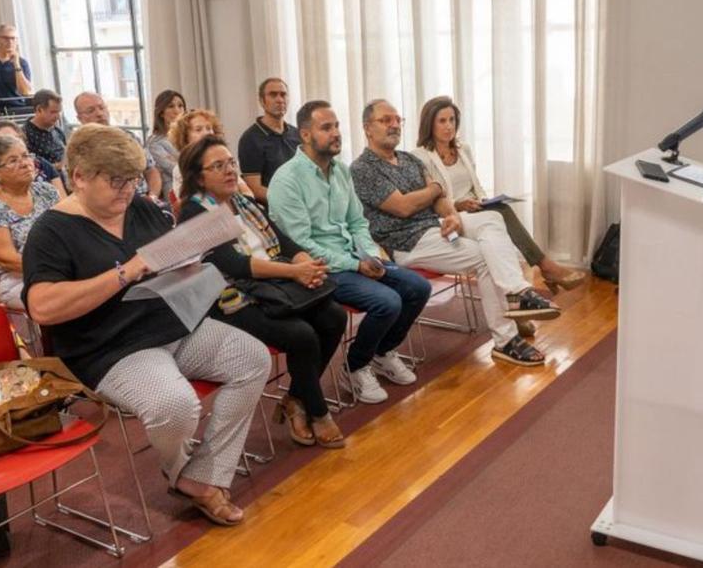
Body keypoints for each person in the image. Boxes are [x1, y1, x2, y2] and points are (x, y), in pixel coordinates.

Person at [22, 124, 270, 526]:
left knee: (253, 359)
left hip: (170, 324)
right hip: (112, 348)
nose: (127, 190)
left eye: (133, 180)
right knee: (175, 407)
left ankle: (200, 475)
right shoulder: (50, 231)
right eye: (116, 181)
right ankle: (184, 474)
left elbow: (161, 258)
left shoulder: (136, 206)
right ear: (79, 177)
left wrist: (188, 262)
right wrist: (125, 273)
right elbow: (43, 309)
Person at [351, 99, 560, 367]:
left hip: (435, 226)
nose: (394, 125)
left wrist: (450, 214)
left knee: (493, 219)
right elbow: (403, 207)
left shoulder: (409, 159)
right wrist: (434, 190)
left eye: (397, 120)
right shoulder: (363, 169)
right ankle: (506, 339)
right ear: (368, 128)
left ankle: (518, 291)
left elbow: (440, 197)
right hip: (406, 241)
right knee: (485, 257)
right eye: (385, 120)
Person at [177, 135, 348, 447]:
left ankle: (296, 400)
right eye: (219, 166)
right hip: (230, 298)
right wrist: (295, 272)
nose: (230, 170)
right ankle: (319, 412)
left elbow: (284, 242)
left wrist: (305, 263)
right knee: (301, 335)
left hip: (274, 283)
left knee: (334, 317)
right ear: (199, 177)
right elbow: (236, 264)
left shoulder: (243, 201)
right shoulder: (194, 212)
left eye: (231, 163)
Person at [269, 101, 432, 404]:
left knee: (418, 287)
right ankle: (355, 366)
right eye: (326, 128)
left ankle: (382, 352)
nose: (336, 133)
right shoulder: (287, 179)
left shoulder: (341, 171)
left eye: (337, 126)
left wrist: (370, 255)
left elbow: (357, 222)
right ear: (305, 135)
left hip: (353, 257)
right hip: (319, 267)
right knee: (387, 301)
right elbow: (300, 243)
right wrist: (355, 265)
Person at [412, 96, 585, 295]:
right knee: (502, 214)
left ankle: (525, 292)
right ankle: (544, 269)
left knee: (500, 217)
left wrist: (481, 201)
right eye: (442, 121)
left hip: (476, 209)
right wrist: (459, 205)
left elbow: (475, 185)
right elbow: (428, 201)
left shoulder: (463, 149)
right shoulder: (420, 156)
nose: (449, 126)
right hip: (449, 219)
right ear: (429, 124)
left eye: (452, 120)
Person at [0, 135, 59, 309]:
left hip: (61, 268)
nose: (25, 163)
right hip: (19, 279)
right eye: (13, 161)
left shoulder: (46, 191)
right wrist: (56, 269)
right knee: (73, 297)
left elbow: (69, 230)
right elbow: (7, 259)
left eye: (26, 155)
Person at [75, 91, 163, 199]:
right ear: (79, 118)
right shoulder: (79, 147)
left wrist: (152, 196)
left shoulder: (128, 137)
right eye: (91, 110)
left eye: (102, 108)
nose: (99, 113)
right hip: (111, 204)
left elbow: (151, 170)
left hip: (144, 199)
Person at [238, 78, 300, 202]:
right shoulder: (250, 139)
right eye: (273, 95)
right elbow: (254, 188)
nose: (279, 99)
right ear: (262, 101)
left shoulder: (297, 134)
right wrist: (290, 201)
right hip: (275, 210)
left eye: (283, 95)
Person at [0, 121, 66, 197]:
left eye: (14, 139)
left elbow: (63, 203)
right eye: (1, 142)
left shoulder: (43, 165)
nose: (11, 144)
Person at [147, 90, 186, 200]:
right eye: (171, 106)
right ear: (161, 112)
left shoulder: (190, 136)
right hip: (175, 193)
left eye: (180, 106)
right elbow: (176, 169)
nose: (177, 111)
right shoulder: (154, 142)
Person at [23, 89, 68, 170]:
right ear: (39, 109)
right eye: (53, 112)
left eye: (59, 112)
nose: (57, 117)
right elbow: (29, 166)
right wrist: (58, 166)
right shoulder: (25, 135)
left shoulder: (58, 131)